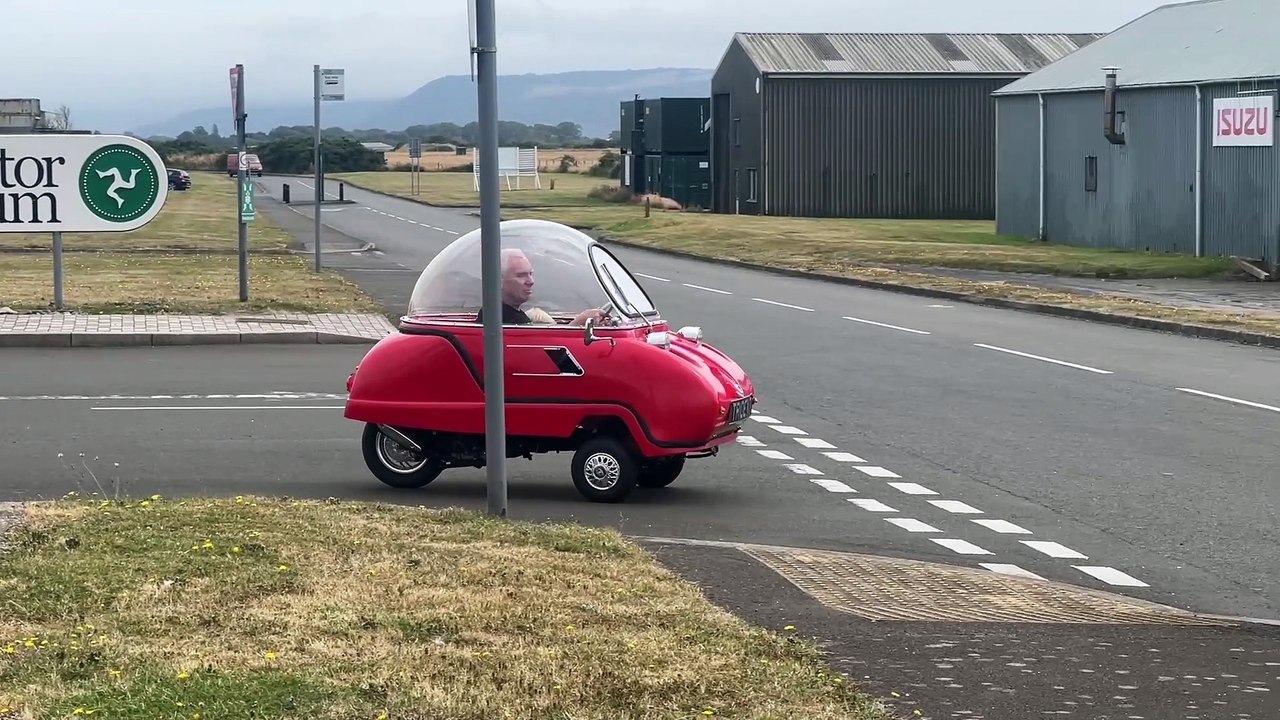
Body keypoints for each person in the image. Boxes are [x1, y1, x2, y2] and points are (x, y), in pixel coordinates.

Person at [475, 248, 607, 326]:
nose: (530, 281)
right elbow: (543, 352)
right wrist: (578, 322)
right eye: (521, 275)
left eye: (530, 274)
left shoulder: (505, 312)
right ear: (498, 280)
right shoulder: (498, 316)